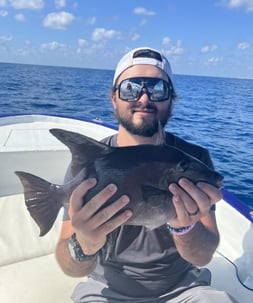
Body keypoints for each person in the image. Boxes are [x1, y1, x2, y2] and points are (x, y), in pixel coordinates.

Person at [55, 47, 237, 303]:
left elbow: (202, 256)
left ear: (171, 99)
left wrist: (184, 227)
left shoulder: (195, 159)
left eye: (157, 88)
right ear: (114, 97)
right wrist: (84, 242)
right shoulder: (91, 163)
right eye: (130, 88)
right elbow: (69, 267)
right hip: (104, 291)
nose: (143, 98)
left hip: (183, 291)